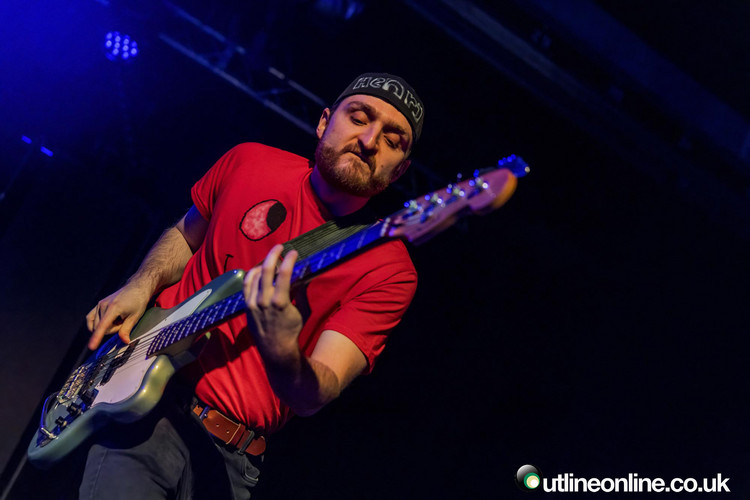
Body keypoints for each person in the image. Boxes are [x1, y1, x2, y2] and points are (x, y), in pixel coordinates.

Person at [79, 73, 424, 499]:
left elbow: (314, 395)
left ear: (400, 170)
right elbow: (186, 236)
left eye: (392, 140)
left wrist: (281, 346)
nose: (369, 141)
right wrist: (139, 284)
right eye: (358, 117)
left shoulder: (389, 267)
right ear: (324, 122)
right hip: (147, 410)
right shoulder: (249, 162)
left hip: (231, 463)